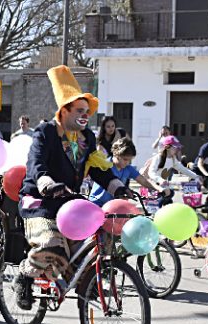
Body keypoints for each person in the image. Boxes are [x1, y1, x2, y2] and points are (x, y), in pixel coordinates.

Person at [13, 66, 131, 310]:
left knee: (103, 239)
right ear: (63, 111)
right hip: (40, 203)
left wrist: (118, 187)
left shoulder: (86, 137)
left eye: (87, 111)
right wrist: (46, 184)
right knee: (53, 244)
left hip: (71, 204)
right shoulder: (46, 132)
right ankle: (24, 275)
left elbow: (98, 169)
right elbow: (36, 163)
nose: (85, 115)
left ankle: (85, 284)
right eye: (79, 110)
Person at [88, 138, 171, 207]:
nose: (127, 163)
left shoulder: (128, 168)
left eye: (130, 160)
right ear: (116, 154)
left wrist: (159, 189)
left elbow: (144, 181)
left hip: (113, 207)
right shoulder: (105, 165)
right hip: (96, 204)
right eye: (125, 159)